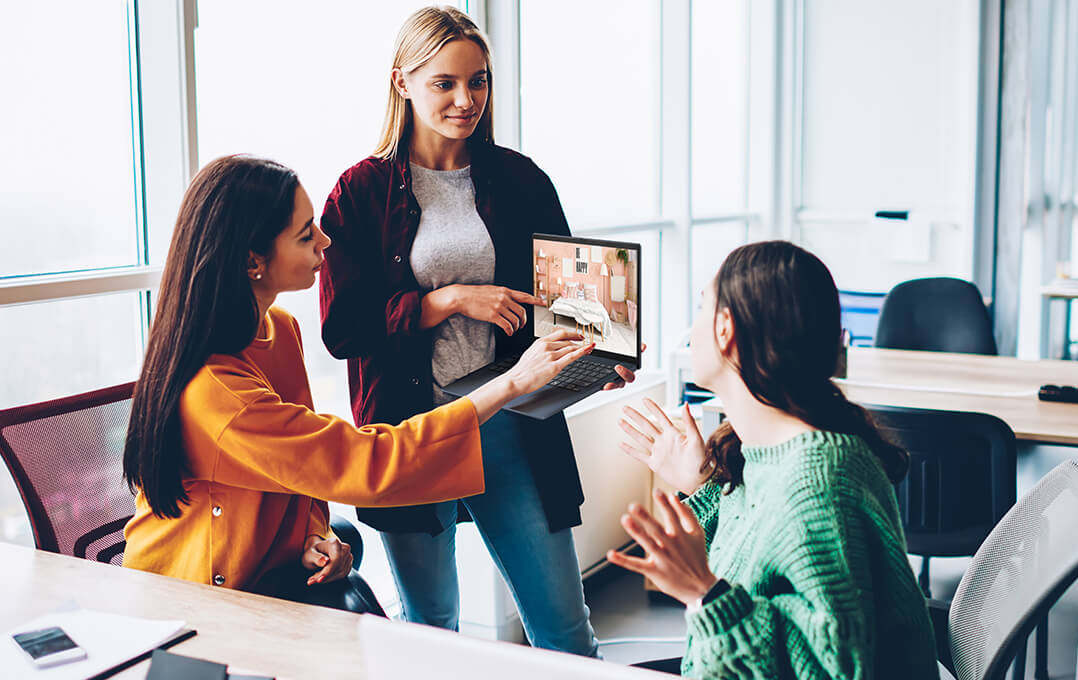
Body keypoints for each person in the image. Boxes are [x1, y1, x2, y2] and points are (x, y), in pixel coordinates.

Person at [122, 154, 593, 613]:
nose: (326, 243)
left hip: (265, 578)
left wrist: (313, 533)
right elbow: (359, 462)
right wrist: (510, 384)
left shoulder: (278, 329)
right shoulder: (217, 394)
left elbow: (297, 469)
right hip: (193, 605)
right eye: (307, 235)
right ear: (252, 262)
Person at [318, 6, 631, 654]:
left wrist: (602, 352)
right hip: (413, 434)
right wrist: (446, 299)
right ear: (403, 81)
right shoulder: (359, 192)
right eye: (445, 83)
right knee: (432, 634)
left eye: (479, 81)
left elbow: (570, 308)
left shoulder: (520, 180)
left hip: (512, 424)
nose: (467, 101)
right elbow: (341, 329)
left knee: (565, 632)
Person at [610, 241, 939, 679]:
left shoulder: (819, 484)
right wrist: (702, 482)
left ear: (725, 329)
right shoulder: (771, 451)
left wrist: (705, 595)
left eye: (701, 306)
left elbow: (837, 669)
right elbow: (760, 560)